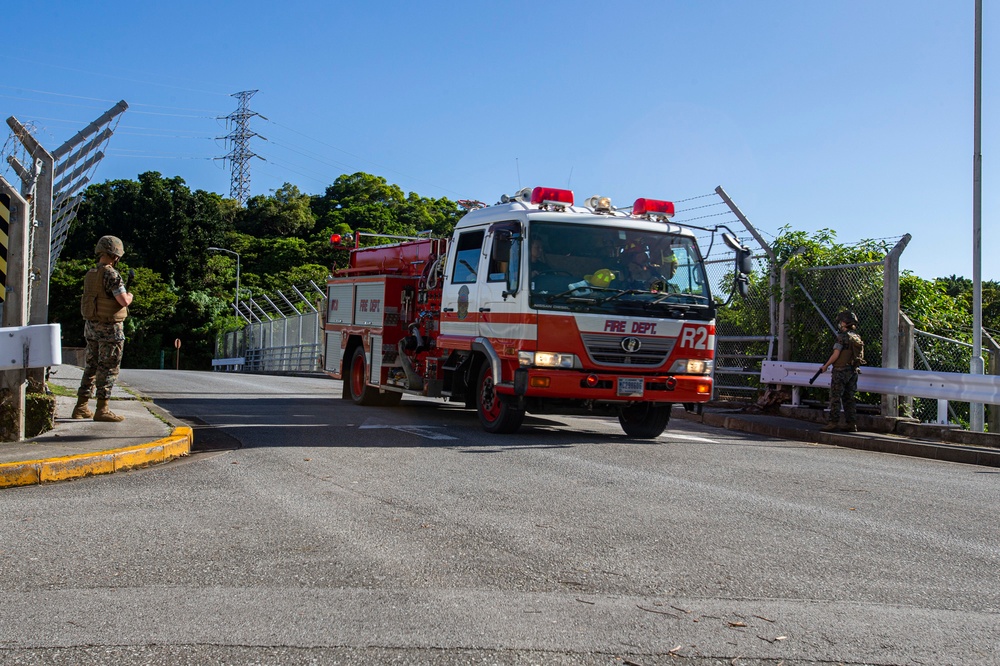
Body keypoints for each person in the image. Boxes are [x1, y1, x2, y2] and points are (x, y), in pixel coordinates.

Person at [73, 235, 134, 423]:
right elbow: (123, 300)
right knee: (108, 368)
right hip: (110, 330)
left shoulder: (90, 274)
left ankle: (81, 406)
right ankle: (102, 408)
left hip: (91, 328)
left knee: (90, 367)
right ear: (116, 255)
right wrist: (130, 296)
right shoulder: (112, 275)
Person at [818, 310, 865, 432]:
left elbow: (836, 354)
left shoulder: (842, 337)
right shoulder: (856, 337)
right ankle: (851, 423)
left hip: (840, 371)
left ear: (844, 323)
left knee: (835, 397)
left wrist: (825, 366)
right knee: (849, 398)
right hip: (853, 371)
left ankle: (833, 422)